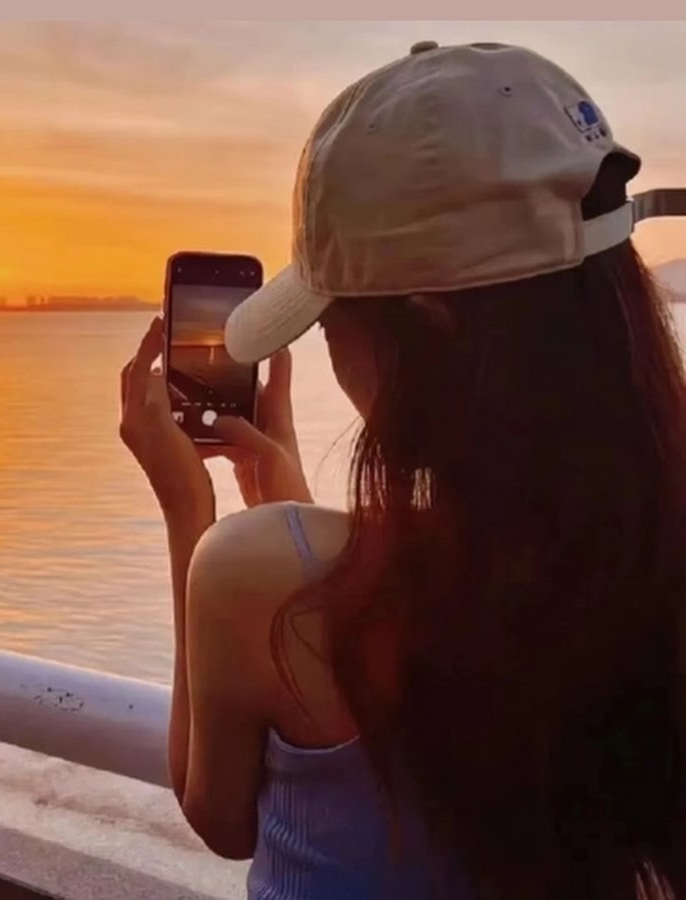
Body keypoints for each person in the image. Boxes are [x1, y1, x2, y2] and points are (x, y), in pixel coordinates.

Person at [120, 40, 686, 900]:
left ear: (428, 330)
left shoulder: (253, 573)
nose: (326, 347)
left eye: (327, 319)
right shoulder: (643, 562)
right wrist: (289, 507)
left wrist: (191, 519)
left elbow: (220, 817)